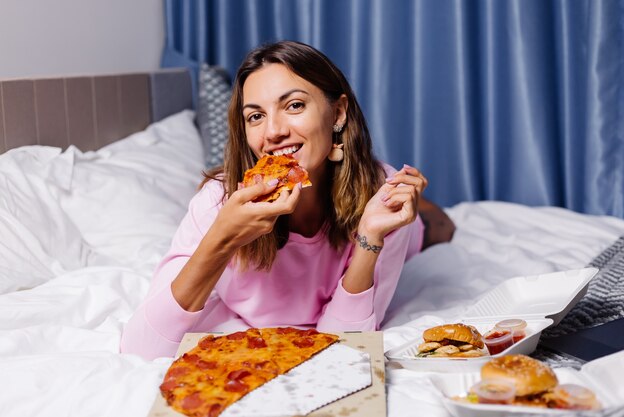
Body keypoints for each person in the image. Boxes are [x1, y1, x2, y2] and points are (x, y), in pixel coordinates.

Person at [121, 40, 455, 360]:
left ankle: (425, 211)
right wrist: (221, 239)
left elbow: (343, 346)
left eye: (294, 105)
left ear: (338, 113)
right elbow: (140, 351)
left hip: (380, 214)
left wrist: (370, 237)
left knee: (439, 226)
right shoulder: (217, 203)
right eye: (255, 116)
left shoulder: (380, 197)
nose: (273, 132)